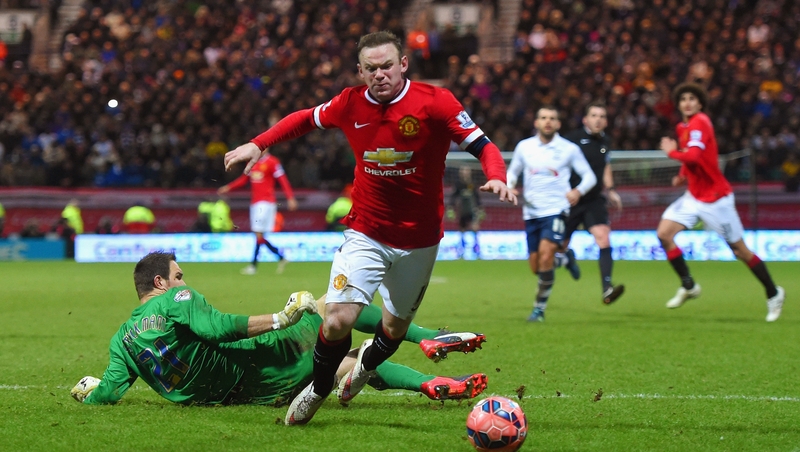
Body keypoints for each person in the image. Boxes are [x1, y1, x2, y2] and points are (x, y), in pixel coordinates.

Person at [222, 30, 515, 425]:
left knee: (393, 330)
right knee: (338, 318)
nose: (380, 75)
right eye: (371, 69)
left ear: (403, 65)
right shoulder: (349, 103)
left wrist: (496, 175)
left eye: (387, 66)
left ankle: (362, 369)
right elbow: (302, 120)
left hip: (420, 240)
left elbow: (483, 145)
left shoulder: (435, 102)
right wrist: (258, 144)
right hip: (366, 232)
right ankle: (319, 389)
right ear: (360, 71)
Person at [69, 251, 488, 407]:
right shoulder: (175, 300)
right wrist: (280, 318)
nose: (183, 282)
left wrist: (90, 391)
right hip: (259, 357)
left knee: (347, 364)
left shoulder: (120, 339)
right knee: (337, 310)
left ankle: (431, 385)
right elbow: (218, 329)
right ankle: (425, 337)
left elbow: (109, 391)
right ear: (160, 284)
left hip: (247, 395)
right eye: (178, 276)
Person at [657, 82, 785, 321]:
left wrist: (671, 153)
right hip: (693, 196)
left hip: (716, 200)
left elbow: (692, 154)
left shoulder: (701, 123)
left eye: (692, 99)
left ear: (700, 103)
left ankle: (773, 292)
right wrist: (682, 175)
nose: (687, 102)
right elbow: (694, 158)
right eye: (683, 98)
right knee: (664, 234)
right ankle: (689, 286)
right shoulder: (682, 126)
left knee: (740, 251)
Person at [506, 106, 597, 323]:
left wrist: (578, 191)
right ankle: (565, 259)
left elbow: (589, 177)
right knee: (536, 266)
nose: (548, 121)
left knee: (546, 256)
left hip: (556, 209)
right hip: (531, 211)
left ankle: (539, 309)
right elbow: (513, 172)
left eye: (552, 118)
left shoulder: (569, 149)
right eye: (544, 118)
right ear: (536, 122)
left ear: (558, 124)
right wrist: (509, 186)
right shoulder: (524, 147)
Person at [558, 101, 625, 305]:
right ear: (585, 119)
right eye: (594, 115)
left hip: (594, 200)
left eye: (602, 116)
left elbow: (605, 167)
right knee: (559, 247)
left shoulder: (605, 141)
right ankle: (567, 257)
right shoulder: (571, 140)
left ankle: (607, 287)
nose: (598, 120)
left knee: (603, 238)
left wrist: (611, 190)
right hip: (571, 200)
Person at [218, 152, 297, 275]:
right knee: (258, 235)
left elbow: (283, 180)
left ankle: (254, 266)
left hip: (266, 203)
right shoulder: (252, 162)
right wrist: (229, 187)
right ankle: (280, 257)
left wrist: (290, 198)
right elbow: (244, 179)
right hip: (255, 203)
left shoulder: (273, 162)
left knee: (258, 233)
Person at [448, 166, 483, 259]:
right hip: (462, 210)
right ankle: (462, 251)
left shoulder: (473, 183)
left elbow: (477, 196)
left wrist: (480, 208)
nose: (465, 173)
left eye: (467, 171)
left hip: (472, 209)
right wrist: (450, 208)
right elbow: (453, 197)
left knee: (475, 228)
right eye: (463, 171)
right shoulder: (458, 184)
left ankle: (477, 249)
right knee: (462, 230)